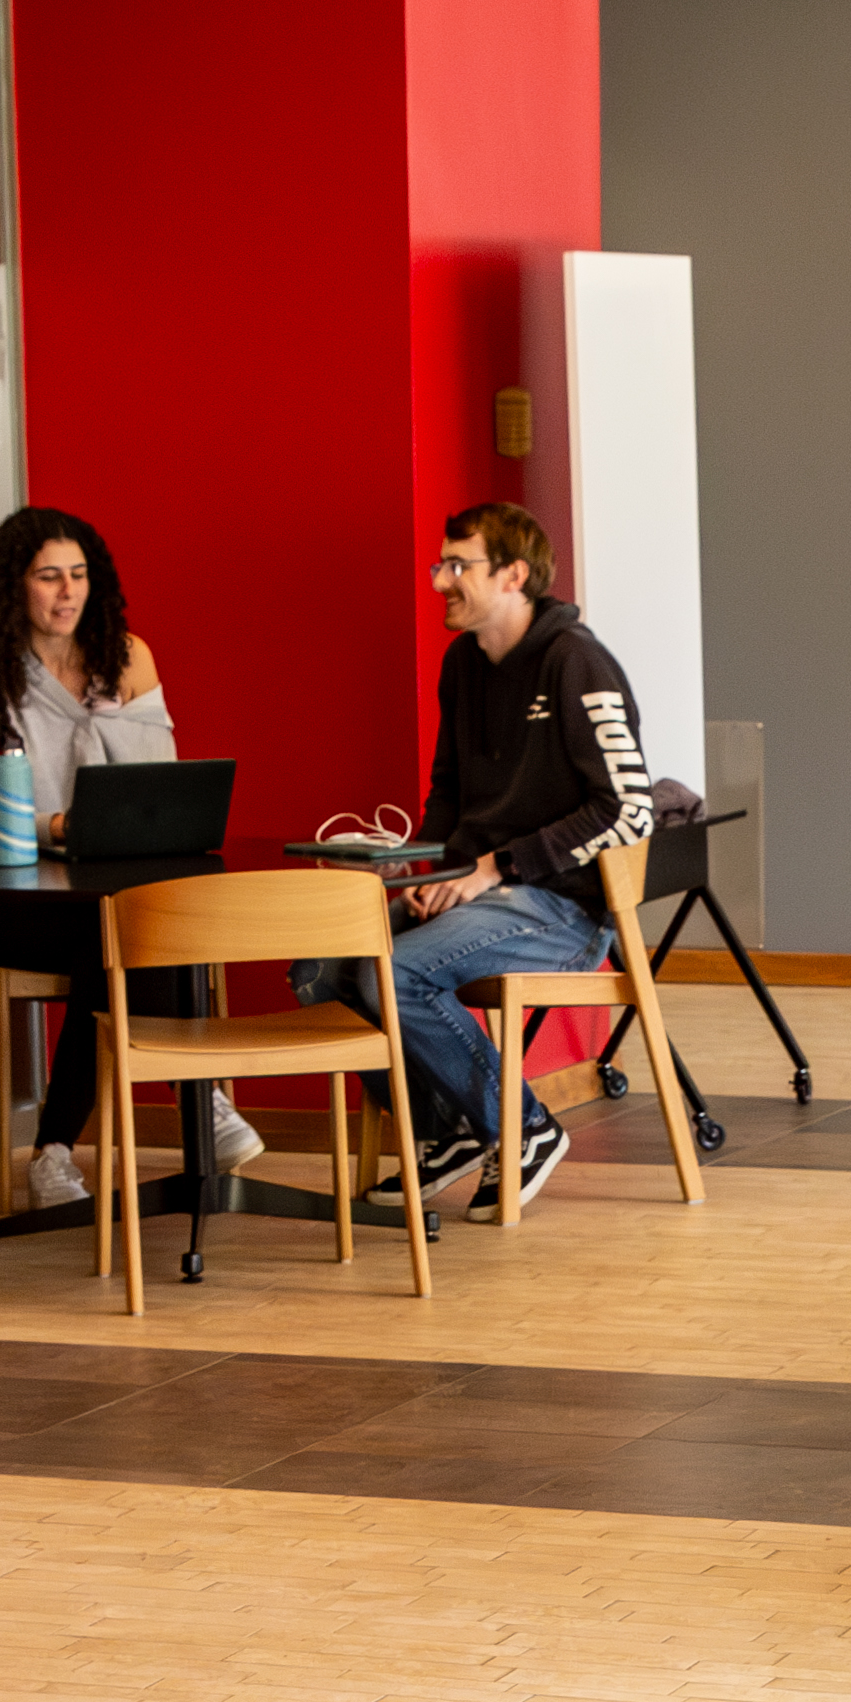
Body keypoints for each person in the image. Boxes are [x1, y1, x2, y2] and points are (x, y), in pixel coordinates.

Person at [314, 502, 656, 1220]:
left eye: (457, 565)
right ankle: (453, 1129)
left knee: (396, 975)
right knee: (321, 967)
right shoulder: (463, 664)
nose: (440, 579)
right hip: (478, 892)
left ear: (514, 576)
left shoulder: (576, 662)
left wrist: (496, 867)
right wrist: (421, 872)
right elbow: (450, 792)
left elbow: (630, 810)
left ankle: (522, 1125)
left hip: (564, 910)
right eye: (440, 564)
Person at [0, 505, 254, 1214]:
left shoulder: (127, 657)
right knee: (128, 941)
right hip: (23, 907)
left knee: (130, 935)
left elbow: (158, 793)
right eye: (48, 576)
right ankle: (204, 1104)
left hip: (119, 900)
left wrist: (107, 722)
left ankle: (52, 1153)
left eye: (78, 575)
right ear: (13, 586)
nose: (66, 591)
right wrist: (53, 824)